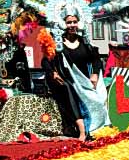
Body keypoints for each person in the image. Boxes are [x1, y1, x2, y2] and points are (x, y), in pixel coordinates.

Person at [42, 13, 104, 141]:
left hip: (84, 81)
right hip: (63, 79)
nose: (72, 25)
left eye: (74, 22)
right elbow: (46, 61)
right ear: (63, 24)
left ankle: (94, 128)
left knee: (95, 97)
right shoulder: (57, 42)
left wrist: (95, 74)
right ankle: (82, 131)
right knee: (69, 89)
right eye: (69, 22)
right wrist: (52, 72)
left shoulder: (84, 42)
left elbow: (96, 60)